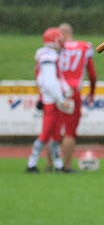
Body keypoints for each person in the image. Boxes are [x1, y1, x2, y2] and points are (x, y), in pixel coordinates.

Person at [26, 27, 73, 173]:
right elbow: (49, 81)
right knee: (46, 134)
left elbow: (57, 77)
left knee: (56, 134)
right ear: (54, 40)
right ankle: (31, 163)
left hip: (52, 98)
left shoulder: (48, 53)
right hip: (50, 100)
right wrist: (60, 98)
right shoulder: (48, 55)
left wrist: (66, 89)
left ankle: (58, 164)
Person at [57, 23, 96, 172]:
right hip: (72, 93)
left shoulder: (53, 48)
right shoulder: (83, 46)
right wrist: (92, 92)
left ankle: (49, 164)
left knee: (52, 130)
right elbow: (92, 74)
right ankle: (66, 166)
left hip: (55, 91)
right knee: (69, 132)